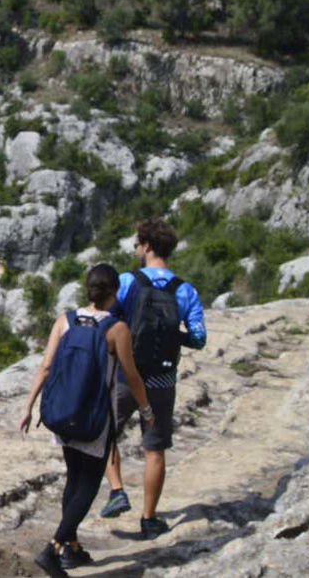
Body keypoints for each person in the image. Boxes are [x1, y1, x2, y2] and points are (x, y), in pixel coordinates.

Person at [19, 264, 153, 577]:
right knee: (89, 486)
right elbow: (131, 377)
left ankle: (71, 549)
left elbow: (46, 367)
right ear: (115, 292)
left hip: (63, 414)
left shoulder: (64, 321)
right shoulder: (117, 329)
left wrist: (28, 407)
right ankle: (53, 548)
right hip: (95, 419)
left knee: (73, 478)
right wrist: (147, 411)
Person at [98, 218, 207, 540]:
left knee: (104, 437)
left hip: (124, 374)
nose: (135, 249)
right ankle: (149, 519)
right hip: (162, 380)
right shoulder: (185, 289)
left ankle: (117, 490)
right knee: (155, 449)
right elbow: (199, 339)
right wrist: (174, 335)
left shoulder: (128, 282)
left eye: (136, 244)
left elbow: (107, 316)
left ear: (146, 246)